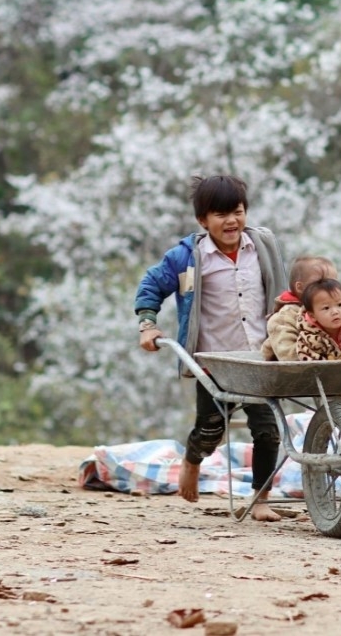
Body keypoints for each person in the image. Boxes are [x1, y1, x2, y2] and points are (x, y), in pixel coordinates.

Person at [135, 174, 286, 522]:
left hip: (260, 359)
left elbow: (284, 291)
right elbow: (151, 284)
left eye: (237, 211)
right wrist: (147, 324)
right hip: (214, 363)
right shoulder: (187, 258)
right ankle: (192, 459)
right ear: (203, 220)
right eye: (221, 214)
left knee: (268, 430)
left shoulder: (262, 247)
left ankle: (260, 499)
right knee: (210, 430)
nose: (231, 221)